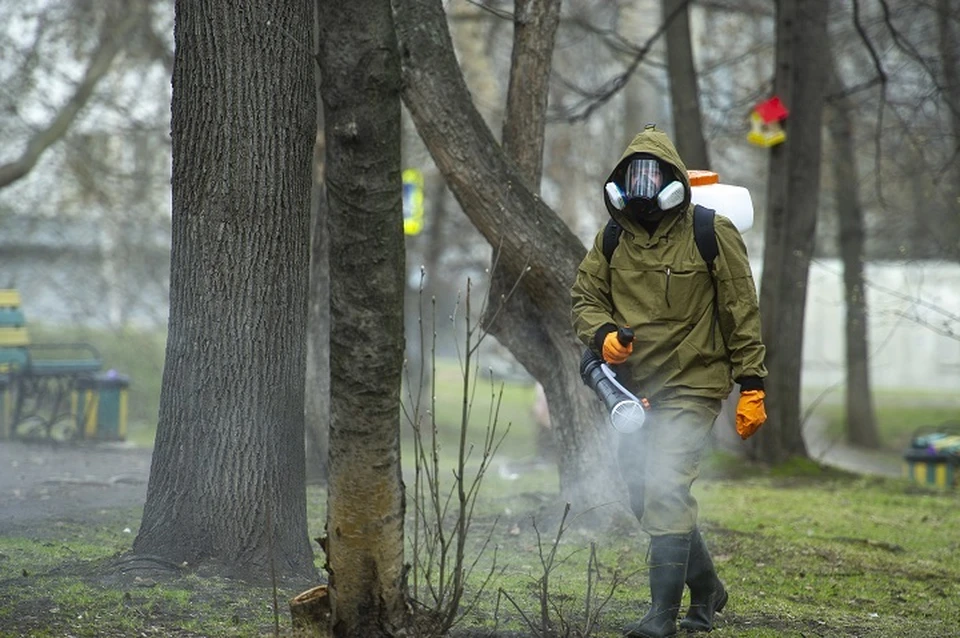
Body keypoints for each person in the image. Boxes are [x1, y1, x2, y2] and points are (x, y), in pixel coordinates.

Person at [570, 124, 768, 637]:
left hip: (695, 384)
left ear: (672, 181)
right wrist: (603, 335)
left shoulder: (710, 231)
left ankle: (661, 617)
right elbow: (585, 299)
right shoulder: (611, 238)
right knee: (643, 492)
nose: (640, 191)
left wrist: (753, 384)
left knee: (664, 484)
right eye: (630, 179)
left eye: (649, 178)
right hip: (637, 390)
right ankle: (706, 590)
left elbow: (740, 309)